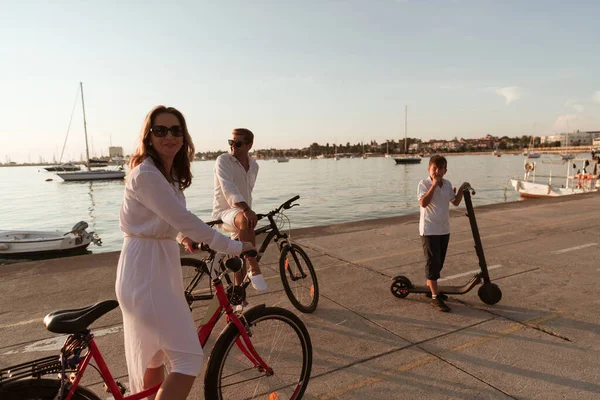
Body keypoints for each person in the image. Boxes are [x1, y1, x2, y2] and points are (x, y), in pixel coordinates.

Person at [115, 106, 254, 400]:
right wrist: (235, 245)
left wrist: (182, 237)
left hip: (154, 262)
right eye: (160, 130)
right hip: (146, 269)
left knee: (153, 356)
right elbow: (185, 219)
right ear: (148, 137)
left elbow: (170, 218)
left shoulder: (169, 175)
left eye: (176, 130)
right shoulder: (147, 175)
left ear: (184, 136)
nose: (169, 136)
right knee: (188, 359)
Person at [195, 128, 266, 290]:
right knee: (245, 223)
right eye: (231, 142)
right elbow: (228, 188)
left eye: (238, 143)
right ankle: (254, 267)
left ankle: (239, 299)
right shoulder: (223, 160)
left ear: (249, 145)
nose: (233, 146)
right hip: (224, 213)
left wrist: (247, 210)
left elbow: (248, 190)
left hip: (241, 213)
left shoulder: (254, 166)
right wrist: (247, 209)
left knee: (239, 255)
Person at [417, 155, 469, 312]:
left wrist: (462, 188)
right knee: (432, 263)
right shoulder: (424, 184)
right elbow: (423, 203)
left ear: (446, 170)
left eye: (441, 169)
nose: (437, 171)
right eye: (434, 168)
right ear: (429, 169)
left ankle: (430, 290)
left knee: (439, 263)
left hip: (444, 229)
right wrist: (433, 186)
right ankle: (434, 297)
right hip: (429, 230)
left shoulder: (447, 184)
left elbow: (455, 201)